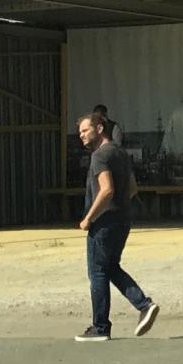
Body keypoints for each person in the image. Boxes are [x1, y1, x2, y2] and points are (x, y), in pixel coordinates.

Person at [73, 110, 159, 341]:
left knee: (98, 272)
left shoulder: (100, 156)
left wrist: (88, 218)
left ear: (99, 129)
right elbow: (132, 188)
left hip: (104, 222)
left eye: (85, 130)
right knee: (111, 268)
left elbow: (107, 189)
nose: (81, 135)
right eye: (79, 131)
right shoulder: (120, 154)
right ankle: (143, 305)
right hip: (123, 220)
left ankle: (100, 327)